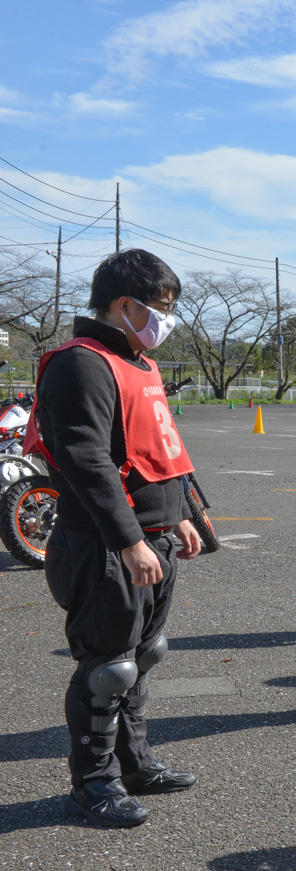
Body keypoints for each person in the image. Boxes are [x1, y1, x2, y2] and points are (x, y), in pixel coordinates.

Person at [24, 249, 202, 827]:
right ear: (124, 304)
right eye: (161, 307)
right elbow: (85, 461)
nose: (166, 320)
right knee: (108, 668)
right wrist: (128, 540)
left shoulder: (139, 364)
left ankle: (133, 764)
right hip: (103, 542)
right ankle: (93, 783)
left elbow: (157, 450)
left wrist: (179, 515)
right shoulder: (82, 363)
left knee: (142, 657)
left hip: (153, 538)